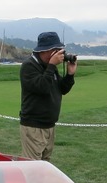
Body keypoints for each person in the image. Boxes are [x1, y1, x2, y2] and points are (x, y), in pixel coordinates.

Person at [19, 31, 77, 162]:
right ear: (43, 50)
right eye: (55, 49)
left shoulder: (50, 67)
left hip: (49, 126)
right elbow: (42, 88)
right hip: (33, 127)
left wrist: (70, 74)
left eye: (59, 50)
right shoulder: (29, 66)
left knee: (45, 166)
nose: (58, 53)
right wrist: (51, 65)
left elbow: (62, 89)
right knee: (32, 167)